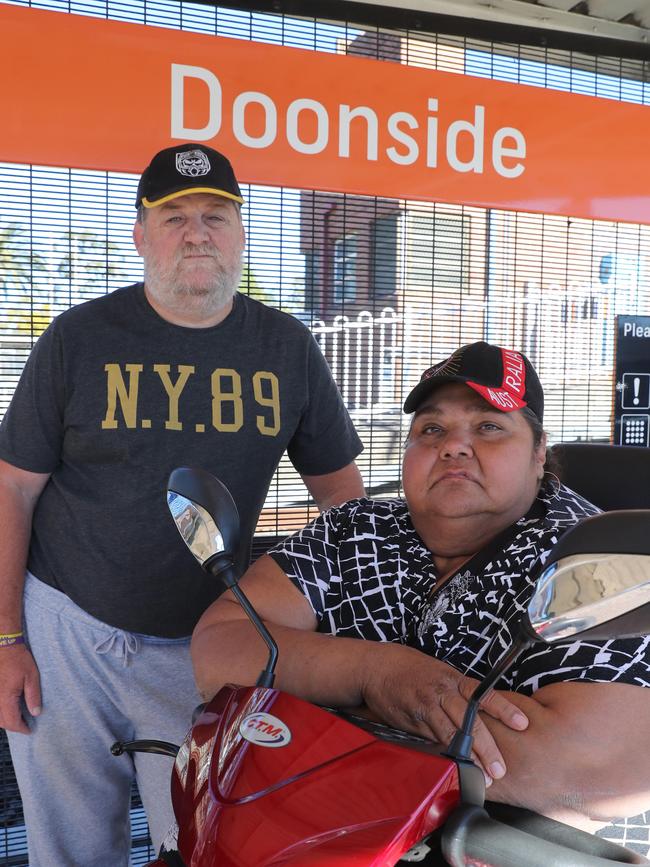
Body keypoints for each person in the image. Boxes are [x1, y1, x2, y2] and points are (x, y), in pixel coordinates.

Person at [0, 143, 365, 867]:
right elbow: (12, 488)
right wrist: (6, 639)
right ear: (140, 235)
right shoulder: (78, 337)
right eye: (175, 217)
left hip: (204, 647)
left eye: (216, 215)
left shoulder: (287, 348)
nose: (197, 231)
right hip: (66, 631)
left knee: (198, 844)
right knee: (68, 849)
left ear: (240, 234)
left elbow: (344, 503)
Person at [192, 340, 650, 850]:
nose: (453, 446)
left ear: (540, 452)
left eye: (488, 426)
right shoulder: (354, 530)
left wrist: (311, 702)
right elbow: (220, 647)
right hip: (297, 836)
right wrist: (377, 673)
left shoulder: (593, 558)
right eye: (431, 429)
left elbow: (584, 773)